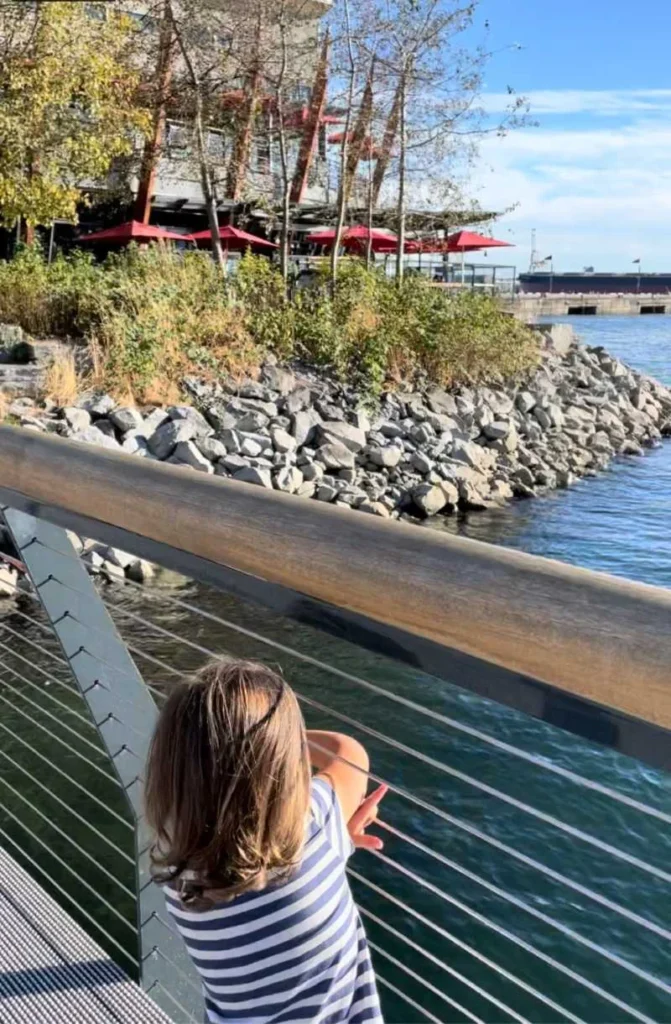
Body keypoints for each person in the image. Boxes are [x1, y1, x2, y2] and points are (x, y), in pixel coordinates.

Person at [145, 659, 387, 1024]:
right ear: (279, 763)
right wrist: (284, 739)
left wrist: (337, 842)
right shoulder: (314, 830)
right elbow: (350, 755)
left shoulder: (175, 867)